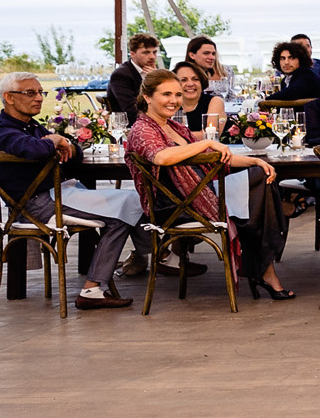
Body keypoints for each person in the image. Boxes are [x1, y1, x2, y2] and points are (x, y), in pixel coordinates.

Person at [124, 69, 295, 300]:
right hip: (175, 205)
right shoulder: (143, 128)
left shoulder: (173, 127)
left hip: (196, 194)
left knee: (260, 180)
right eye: (166, 94)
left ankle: (263, 264)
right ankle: (264, 267)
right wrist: (208, 142)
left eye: (177, 95)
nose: (174, 101)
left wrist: (254, 159)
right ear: (147, 97)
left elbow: (211, 154)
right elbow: (162, 157)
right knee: (259, 199)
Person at [0, 72, 150, 309]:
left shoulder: (30, 126)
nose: (39, 98)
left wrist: (64, 144)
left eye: (40, 92)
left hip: (60, 194)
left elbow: (74, 153)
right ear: (9, 98)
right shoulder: (1, 130)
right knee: (131, 205)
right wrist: (55, 141)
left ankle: (113, 276)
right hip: (40, 202)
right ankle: (160, 252)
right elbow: (35, 150)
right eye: (30, 93)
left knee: (133, 201)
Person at [171, 60, 226, 140]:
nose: (190, 84)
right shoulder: (170, 103)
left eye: (195, 79)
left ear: (202, 81)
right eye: (183, 80)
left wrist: (171, 135)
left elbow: (210, 136)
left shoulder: (215, 102)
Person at [105, 33, 159, 115]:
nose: (152, 57)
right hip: (132, 124)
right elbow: (132, 110)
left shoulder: (153, 71)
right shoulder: (121, 75)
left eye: (154, 52)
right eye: (146, 53)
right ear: (133, 54)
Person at [262, 39, 320, 103]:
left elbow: (290, 93)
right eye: (282, 58)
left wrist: (265, 100)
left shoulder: (307, 75)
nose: (286, 62)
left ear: (300, 59)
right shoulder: (285, 80)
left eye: (291, 58)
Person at [185, 35, 237, 102]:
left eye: (213, 53)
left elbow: (232, 96)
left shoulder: (227, 70)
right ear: (192, 55)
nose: (212, 57)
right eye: (206, 53)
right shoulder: (184, 75)